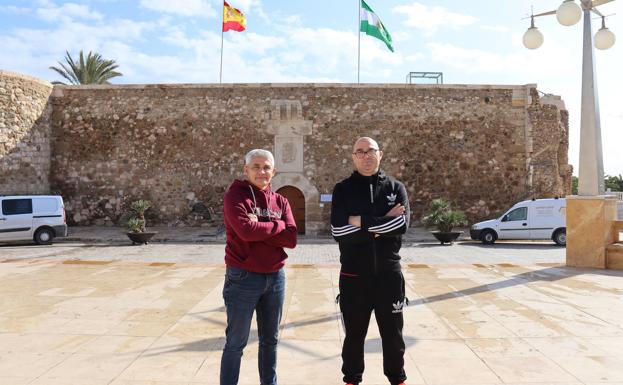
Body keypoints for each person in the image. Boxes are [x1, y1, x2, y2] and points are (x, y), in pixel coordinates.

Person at [331, 137, 410, 385]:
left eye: (371, 151)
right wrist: (382, 220)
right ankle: (351, 380)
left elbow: (401, 225)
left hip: (389, 276)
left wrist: (359, 221)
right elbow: (338, 231)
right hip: (354, 277)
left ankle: (397, 379)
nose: (366, 156)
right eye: (360, 152)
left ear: (380, 154)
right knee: (354, 335)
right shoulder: (343, 189)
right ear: (353, 157)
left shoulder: (396, 188)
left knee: (393, 336)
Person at [220, 149, 297, 385]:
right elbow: (244, 231)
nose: (261, 172)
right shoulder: (236, 196)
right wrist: (278, 225)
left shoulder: (281, 200)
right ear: (246, 170)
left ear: (273, 172)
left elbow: (292, 238)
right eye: (256, 166)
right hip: (243, 278)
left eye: (266, 167)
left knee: (270, 340)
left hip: (275, 278)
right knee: (236, 342)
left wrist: (261, 225)